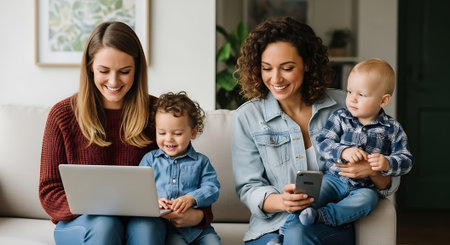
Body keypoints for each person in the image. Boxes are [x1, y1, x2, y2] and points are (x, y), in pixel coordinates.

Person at [39, 21, 213, 245]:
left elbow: (189, 174)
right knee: (105, 225)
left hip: (142, 222)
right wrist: (102, 209)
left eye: (124, 72)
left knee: (147, 229)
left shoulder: (157, 114)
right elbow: (49, 192)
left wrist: (199, 215)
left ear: (137, 69)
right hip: (83, 223)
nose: (113, 81)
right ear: (90, 67)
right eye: (104, 71)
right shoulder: (62, 115)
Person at [232, 16, 400, 245]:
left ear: (307, 63)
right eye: (266, 68)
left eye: (287, 68)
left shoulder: (346, 106)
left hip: (327, 224)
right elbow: (249, 188)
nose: (276, 78)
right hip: (271, 227)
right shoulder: (248, 117)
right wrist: (282, 201)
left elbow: (390, 180)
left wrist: (369, 170)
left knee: (299, 232)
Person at [281, 58, 413, 230]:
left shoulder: (392, 129)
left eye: (361, 94)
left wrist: (387, 163)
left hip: (364, 188)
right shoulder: (340, 117)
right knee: (307, 195)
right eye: (350, 92)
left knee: (368, 201)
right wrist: (343, 151)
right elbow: (323, 142)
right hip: (333, 179)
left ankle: (323, 216)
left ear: (383, 100)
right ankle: (283, 234)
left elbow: (406, 160)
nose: (352, 99)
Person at [139, 91, 221, 245]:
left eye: (177, 133)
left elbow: (212, 188)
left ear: (193, 132)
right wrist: (154, 201)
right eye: (162, 133)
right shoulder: (149, 160)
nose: (168, 139)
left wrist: (191, 198)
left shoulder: (202, 162)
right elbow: (139, 191)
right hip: (170, 230)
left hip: (201, 230)